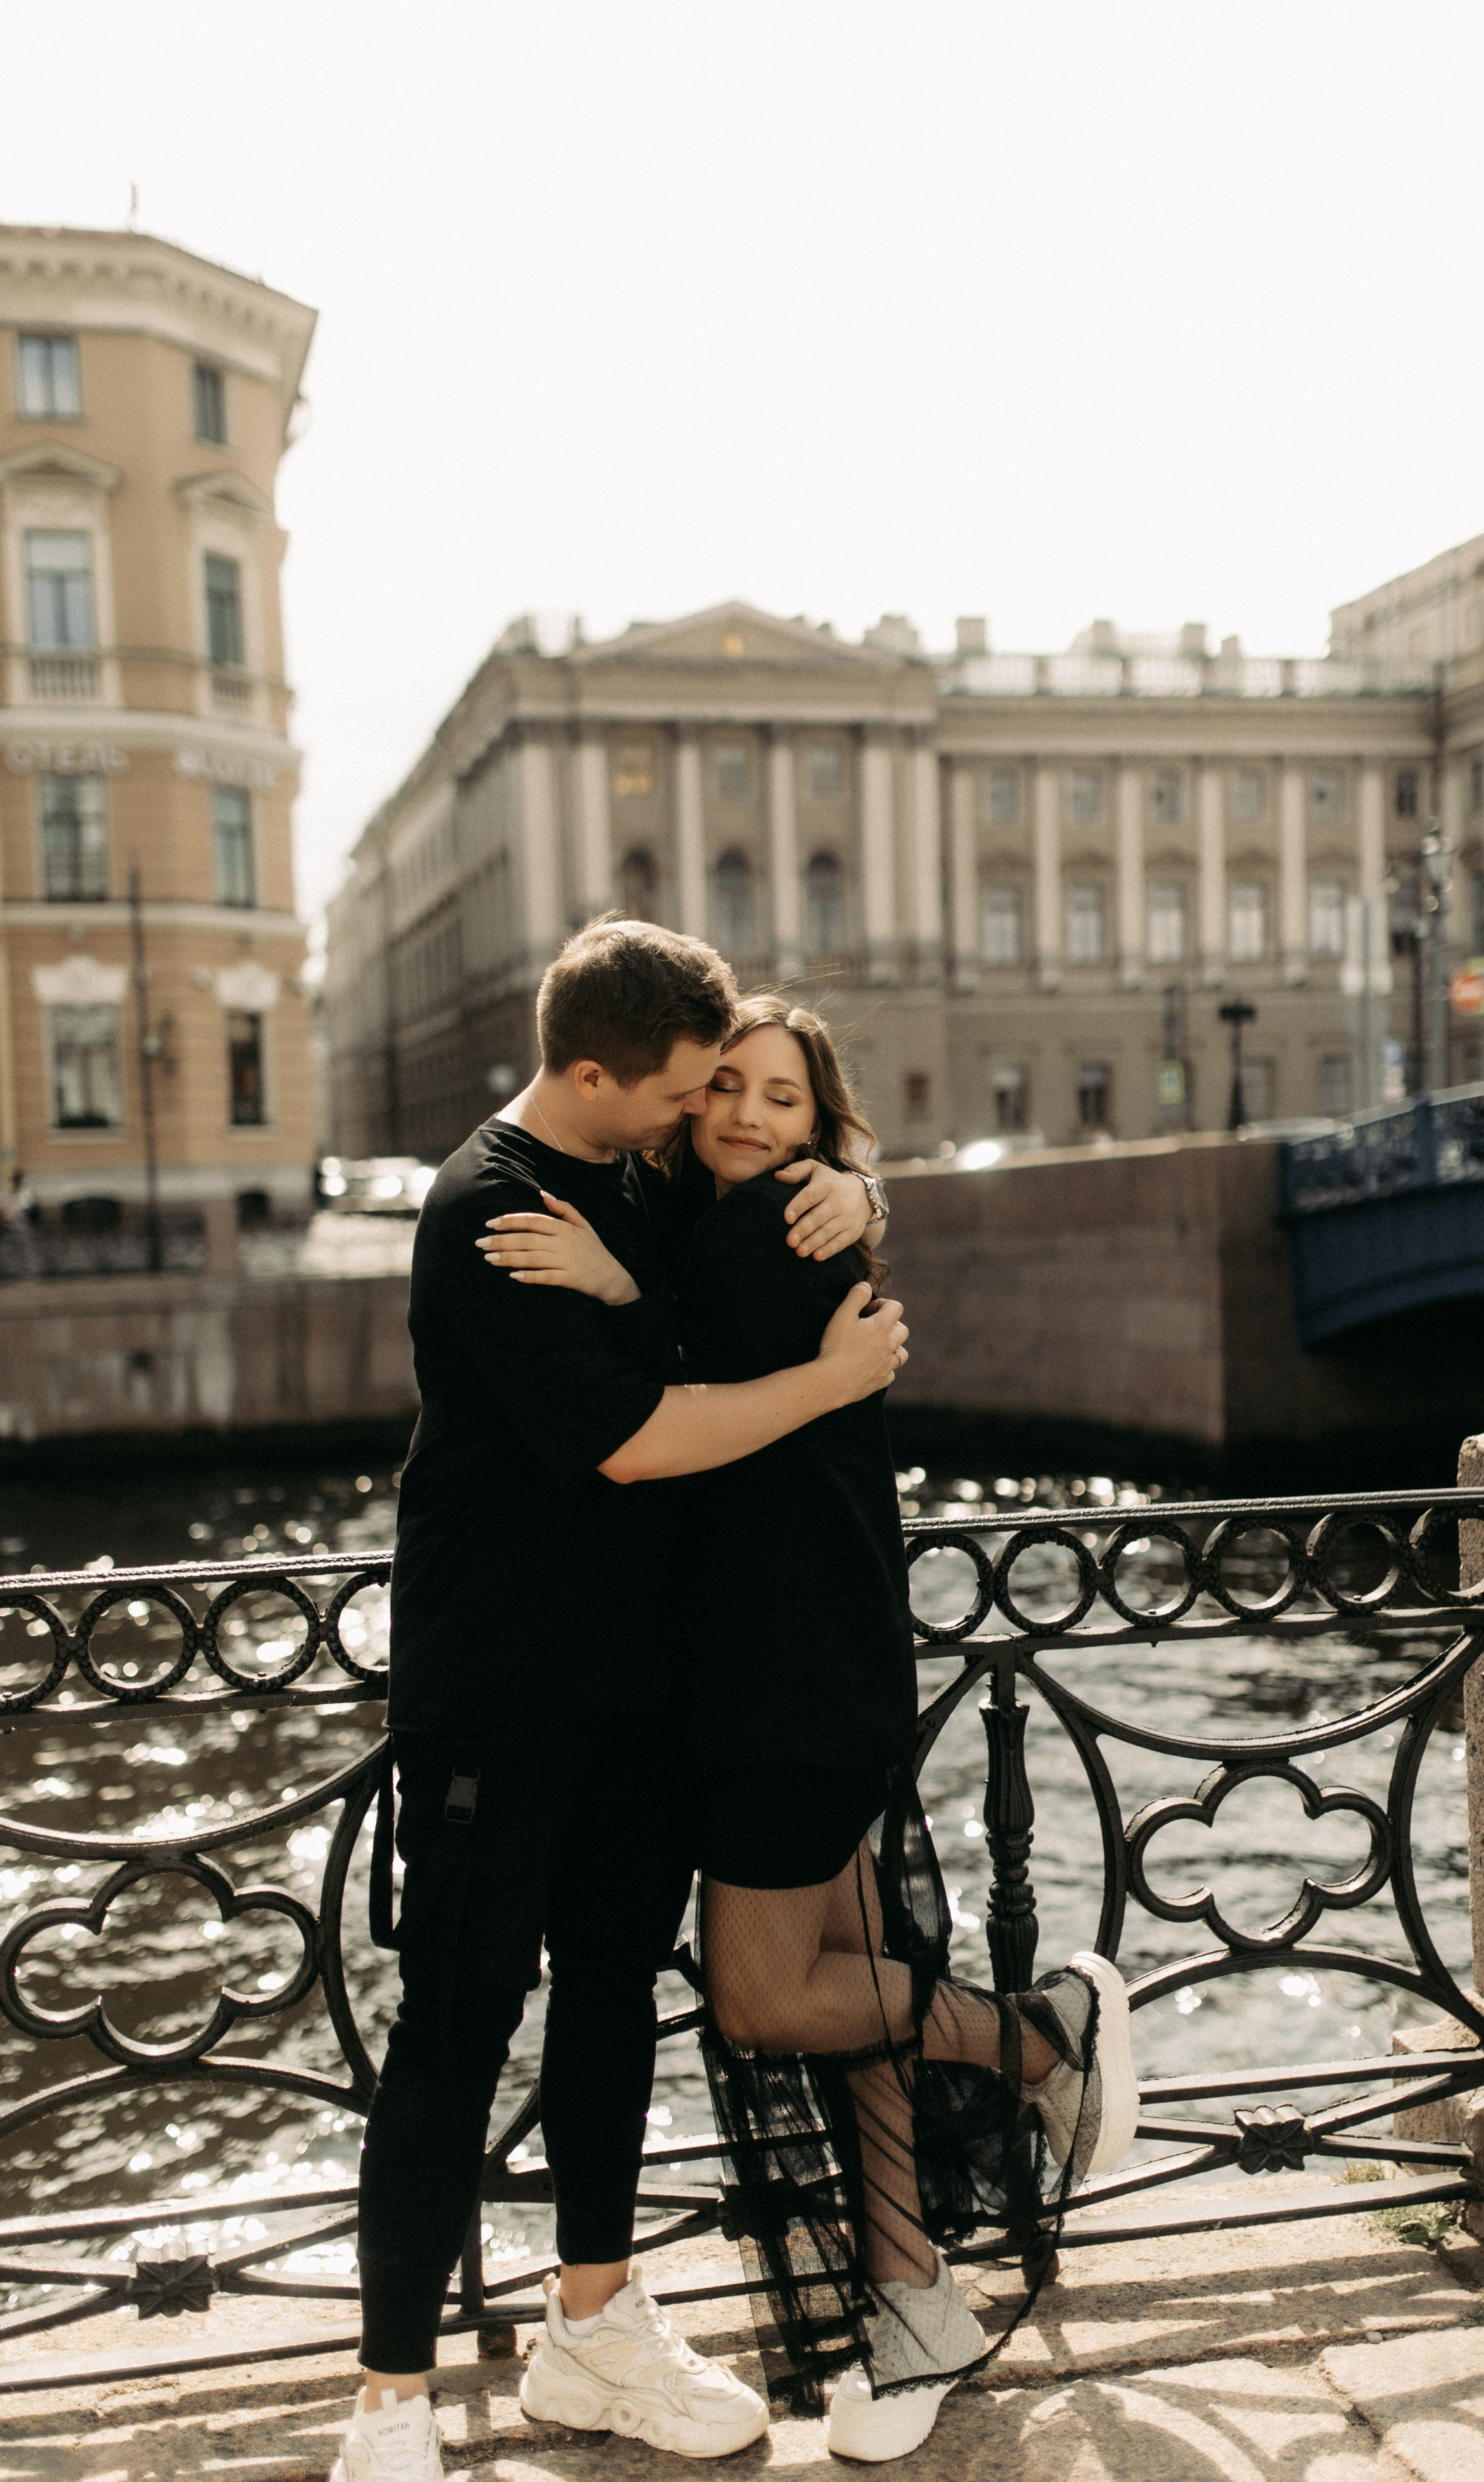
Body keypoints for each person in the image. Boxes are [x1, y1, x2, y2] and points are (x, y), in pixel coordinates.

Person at [479, 996, 1138, 2464]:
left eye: (782, 1099)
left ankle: (1043, 2041)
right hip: (774, 1666)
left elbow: (688, 1379)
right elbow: (717, 1344)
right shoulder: (737, 1215)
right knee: (853, 1990)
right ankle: (913, 2301)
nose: (745, 1117)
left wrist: (610, 1286)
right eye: (722, 1087)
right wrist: (838, 1190)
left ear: (820, 1125)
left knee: (767, 1998)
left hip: (787, 1673)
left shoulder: (776, 1222)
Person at [331, 922, 897, 2482]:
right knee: (453, 2033)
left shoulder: (635, 1175)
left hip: (645, 1695)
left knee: (604, 2016)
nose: (696, 1111)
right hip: (500, 1696)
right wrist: (830, 1387)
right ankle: (387, 2402)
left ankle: (593, 2329)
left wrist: (856, 1185)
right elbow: (635, 1437)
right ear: (592, 1073)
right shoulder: (482, 1211)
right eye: (677, 1088)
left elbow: (746, 1221)